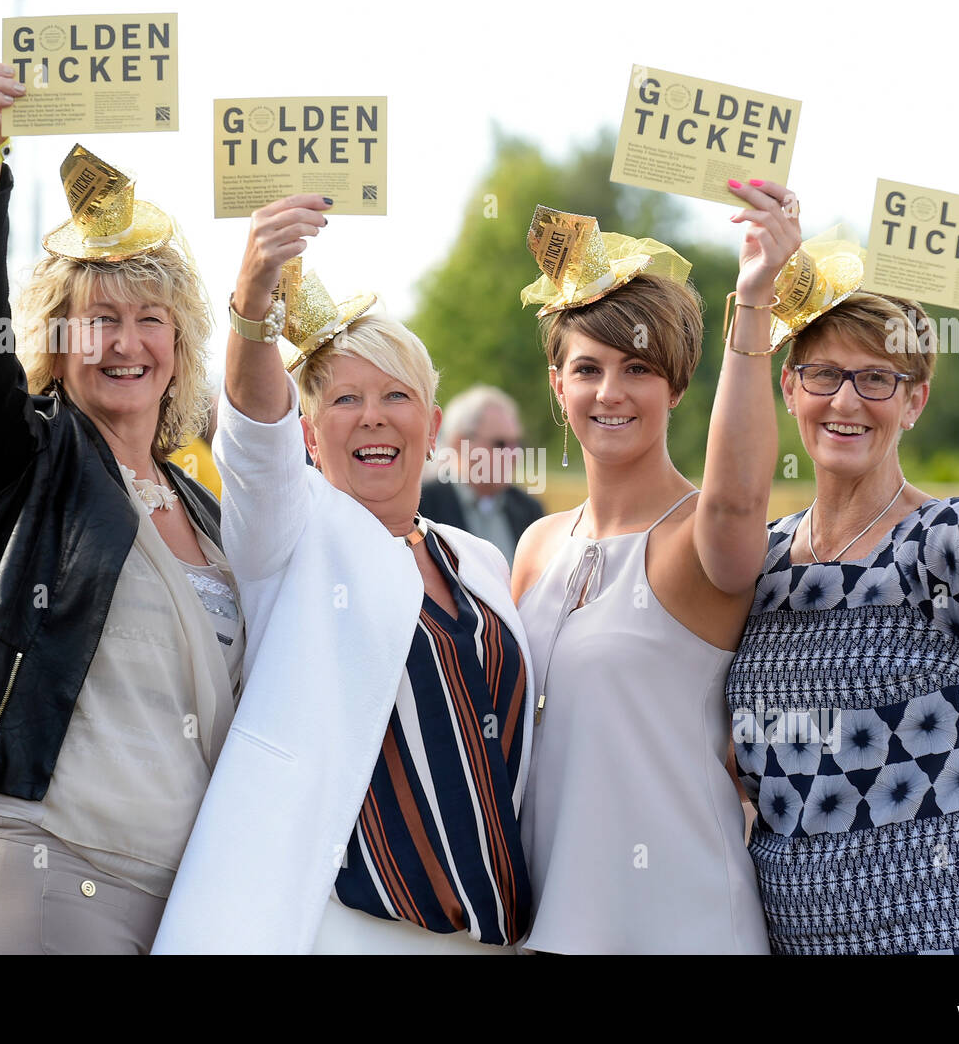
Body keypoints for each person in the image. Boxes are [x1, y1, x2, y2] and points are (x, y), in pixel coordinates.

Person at [0, 62, 243, 955]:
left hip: (179, 904)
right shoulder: (29, 461)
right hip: (36, 877)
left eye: (149, 317)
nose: (124, 341)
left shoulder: (206, 512)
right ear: (55, 342)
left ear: (179, 342)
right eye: (96, 318)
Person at [153, 213, 535, 954]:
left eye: (396, 396)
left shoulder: (478, 563)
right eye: (344, 399)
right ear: (308, 430)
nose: (372, 418)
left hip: (494, 931)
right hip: (354, 930)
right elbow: (251, 440)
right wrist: (255, 299)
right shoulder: (293, 540)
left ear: (430, 424)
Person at [723, 278, 959, 954]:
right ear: (788, 387)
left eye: (876, 378)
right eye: (825, 374)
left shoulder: (940, 542)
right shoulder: (759, 563)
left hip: (928, 934)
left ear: (914, 400)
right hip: (785, 937)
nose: (845, 399)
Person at [508, 183, 800, 953]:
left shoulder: (701, 542)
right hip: (554, 927)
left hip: (687, 924)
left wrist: (755, 299)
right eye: (587, 367)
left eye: (638, 368)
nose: (610, 391)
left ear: (675, 384)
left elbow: (740, 499)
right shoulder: (535, 546)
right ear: (556, 384)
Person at [420, 385, 545, 564]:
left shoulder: (530, 511)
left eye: (517, 443)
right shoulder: (422, 507)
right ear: (459, 443)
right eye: (500, 444)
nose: (514, 454)